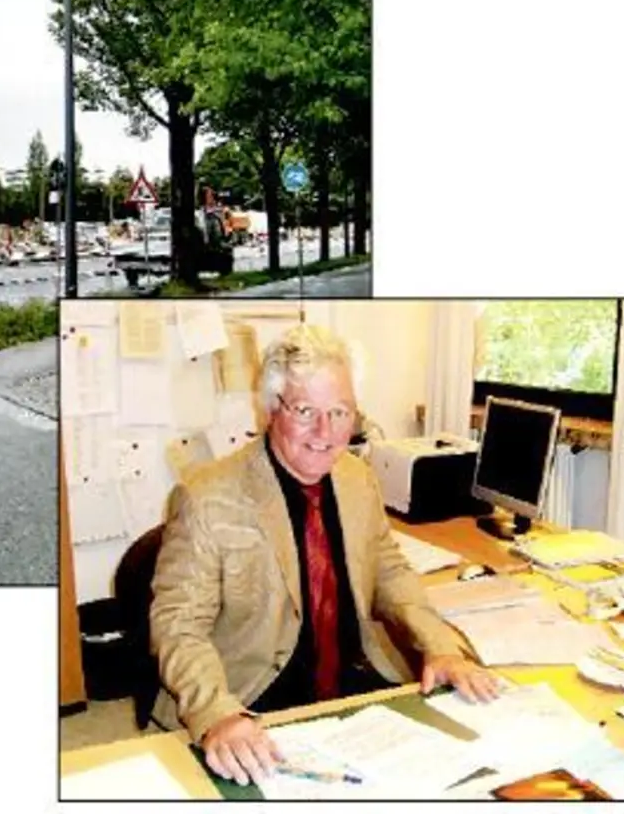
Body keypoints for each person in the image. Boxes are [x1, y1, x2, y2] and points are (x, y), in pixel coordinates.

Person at [148, 324, 500, 787]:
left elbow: (390, 571)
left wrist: (440, 646)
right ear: (272, 409)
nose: (326, 431)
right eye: (306, 410)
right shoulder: (207, 496)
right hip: (250, 699)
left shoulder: (357, 478)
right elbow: (178, 625)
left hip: (348, 691)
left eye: (340, 411)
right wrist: (217, 713)